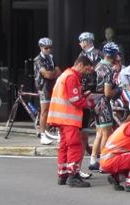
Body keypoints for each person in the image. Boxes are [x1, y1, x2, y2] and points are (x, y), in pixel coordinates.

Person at [48, 55, 96, 188]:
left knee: (64, 146)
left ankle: (62, 174)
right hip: (69, 118)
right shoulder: (72, 77)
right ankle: (73, 176)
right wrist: (90, 103)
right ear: (80, 65)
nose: (86, 73)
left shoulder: (65, 75)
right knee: (75, 145)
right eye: (86, 69)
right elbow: (75, 100)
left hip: (61, 118)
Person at [89, 42, 122, 171]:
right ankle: (104, 162)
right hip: (103, 102)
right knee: (106, 133)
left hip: (94, 101)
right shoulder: (108, 69)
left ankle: (93, 160)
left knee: (99, 133)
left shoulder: (98, 66)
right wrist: (118, 90)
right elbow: (108, 93)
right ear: (114, 55)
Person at [77, 32, 101, 176]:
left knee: (102, 127)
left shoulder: (99, 54)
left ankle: (96, 157)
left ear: (87, 41)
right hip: (84, 94)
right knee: (83, 132)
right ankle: (84, 162)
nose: (80, 43)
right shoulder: (80, 55)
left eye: (81, 41)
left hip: (96, 92)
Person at [33, 37, 60, 145]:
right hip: (43, 87)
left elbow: (59, 71)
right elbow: (47, 74)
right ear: (41, 47)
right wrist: (54, 72)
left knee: (55, 110)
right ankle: (42, 134)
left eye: (50, 48)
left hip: (52, 86)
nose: (48, 50)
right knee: (44, 112)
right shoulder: (38, 60)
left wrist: (53, 73)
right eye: (46, 48)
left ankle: (55, 132)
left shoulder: (51, 57)